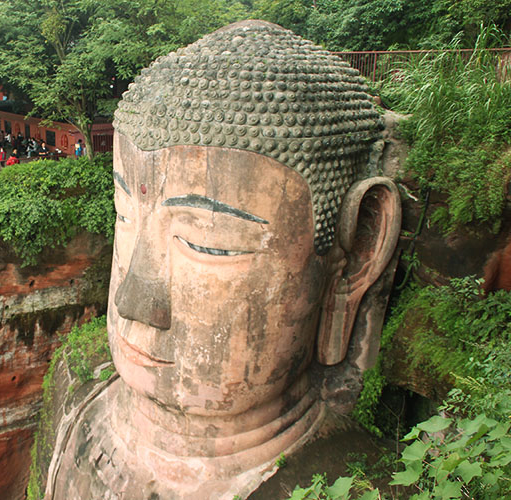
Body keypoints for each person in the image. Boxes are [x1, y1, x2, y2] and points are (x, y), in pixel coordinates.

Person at [49, 21, 402, 500]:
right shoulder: (80, 409)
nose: (133, 301)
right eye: (123, 214)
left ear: (357, 253)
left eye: (207, 244)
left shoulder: (359, 486)